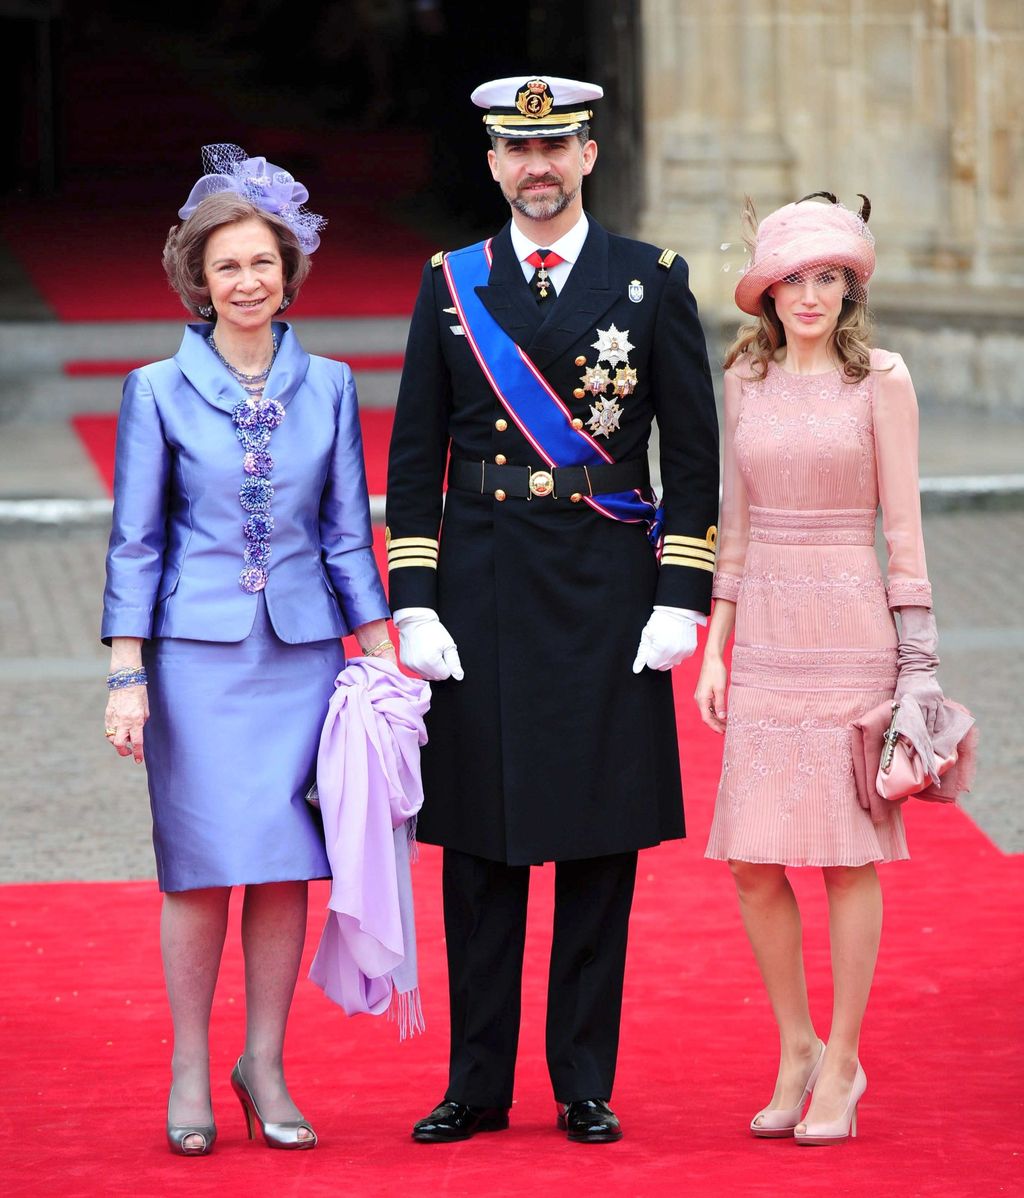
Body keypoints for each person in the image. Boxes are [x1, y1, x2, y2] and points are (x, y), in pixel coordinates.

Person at [386, 76, 719, 1144]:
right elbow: (411, 454)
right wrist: (413, 597)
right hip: (478, 588)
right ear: (491, 163)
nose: (537, 166)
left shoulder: (650, 281)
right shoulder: (451, 282)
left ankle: (583, 1079)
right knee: (478, 848)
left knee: (595, 842)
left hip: (604, 590)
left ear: (588, 155)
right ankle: (474, 1084)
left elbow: (693, 457)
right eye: (515, 149)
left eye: (557, 145)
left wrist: (680, 591)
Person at [101, 144, 393, 1156]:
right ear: (198, 279)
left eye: (262, 263)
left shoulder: (334, 386)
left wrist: (383, 651)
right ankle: (190, 1064)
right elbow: (136, 543)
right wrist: (126, 673)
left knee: (281, 868)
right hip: (194, 664)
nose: (246, 282)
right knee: (198, 870)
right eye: (226, 266)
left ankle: (262, 1063)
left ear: (289, 271)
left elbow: (351, 533)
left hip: (305, 657)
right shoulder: (155, 391)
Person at [694, 193, 943, 1145]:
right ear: (767, 291)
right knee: (752, 860)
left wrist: (917, 668)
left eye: (829, 277)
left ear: (852, 287)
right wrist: (716, 645)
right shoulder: (745, 377)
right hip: (762, 632)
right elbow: (735, 521)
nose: (812, 295)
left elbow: (906, 533)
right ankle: (795, 1045)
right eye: (795, 278)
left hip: (851, 628)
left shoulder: (882, 378)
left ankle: (843, 1061)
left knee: (846, 857)